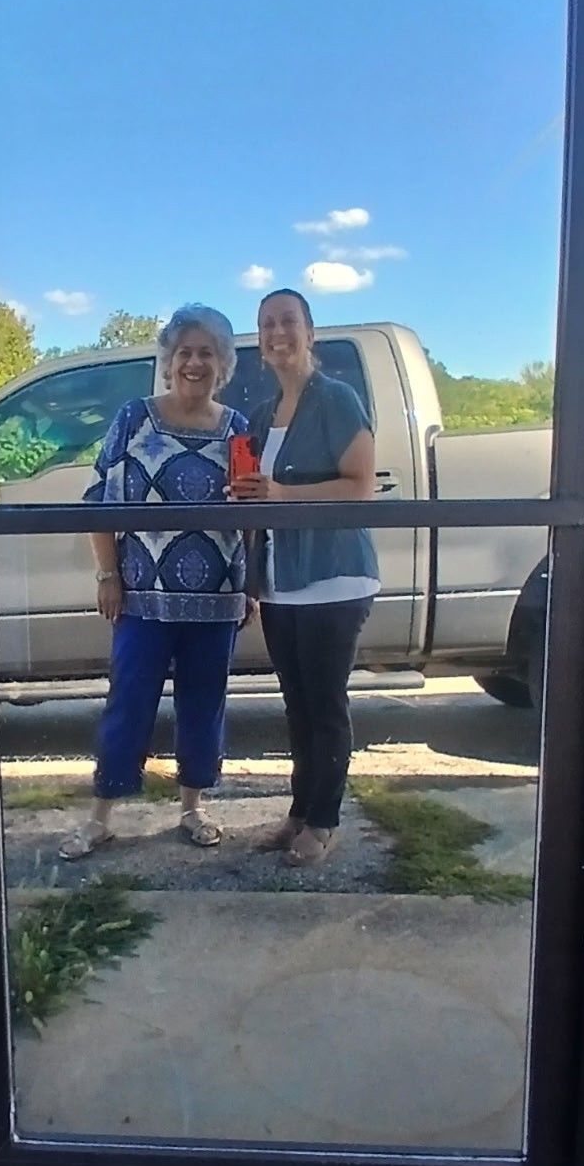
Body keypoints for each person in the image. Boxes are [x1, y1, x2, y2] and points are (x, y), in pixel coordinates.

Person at [59, 304, 251, 860]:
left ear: (224, 365)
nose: (195, 363)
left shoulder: (239, 430)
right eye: (184, 353)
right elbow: (101, 502)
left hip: (216, 602)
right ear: (168, 363)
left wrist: (252, 586)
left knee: (204, 704)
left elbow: (251, 515)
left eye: (207, 353)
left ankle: (193, 808)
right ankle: (101, 816)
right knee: (129, 703)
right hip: (142, 597)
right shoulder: (134, 418)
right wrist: (107, 574)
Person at [228, 287, 378, 867]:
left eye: (288, 321)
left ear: (310, 333)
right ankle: (298, 813)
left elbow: (360, 486)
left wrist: (281, 492)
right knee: (295, 705)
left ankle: (324, 820)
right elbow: (258, 500)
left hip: (334, 579)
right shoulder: (263, 416)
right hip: (281, 582)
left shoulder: (337, 400)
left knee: (324, 705)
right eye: (267, 324)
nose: (277, 333)